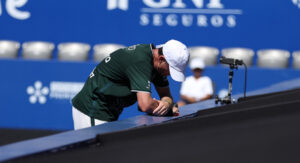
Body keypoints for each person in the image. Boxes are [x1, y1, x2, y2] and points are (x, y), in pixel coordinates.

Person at [72, 39, 190, 130]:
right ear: (161, 59)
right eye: (170, 69)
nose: (169, 74)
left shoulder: (159, 66)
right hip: (92, 109)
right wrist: (167, 108)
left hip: (110, 111)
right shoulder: (140, 60)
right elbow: (145, 105)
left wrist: (166, 103)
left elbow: (167, 96)